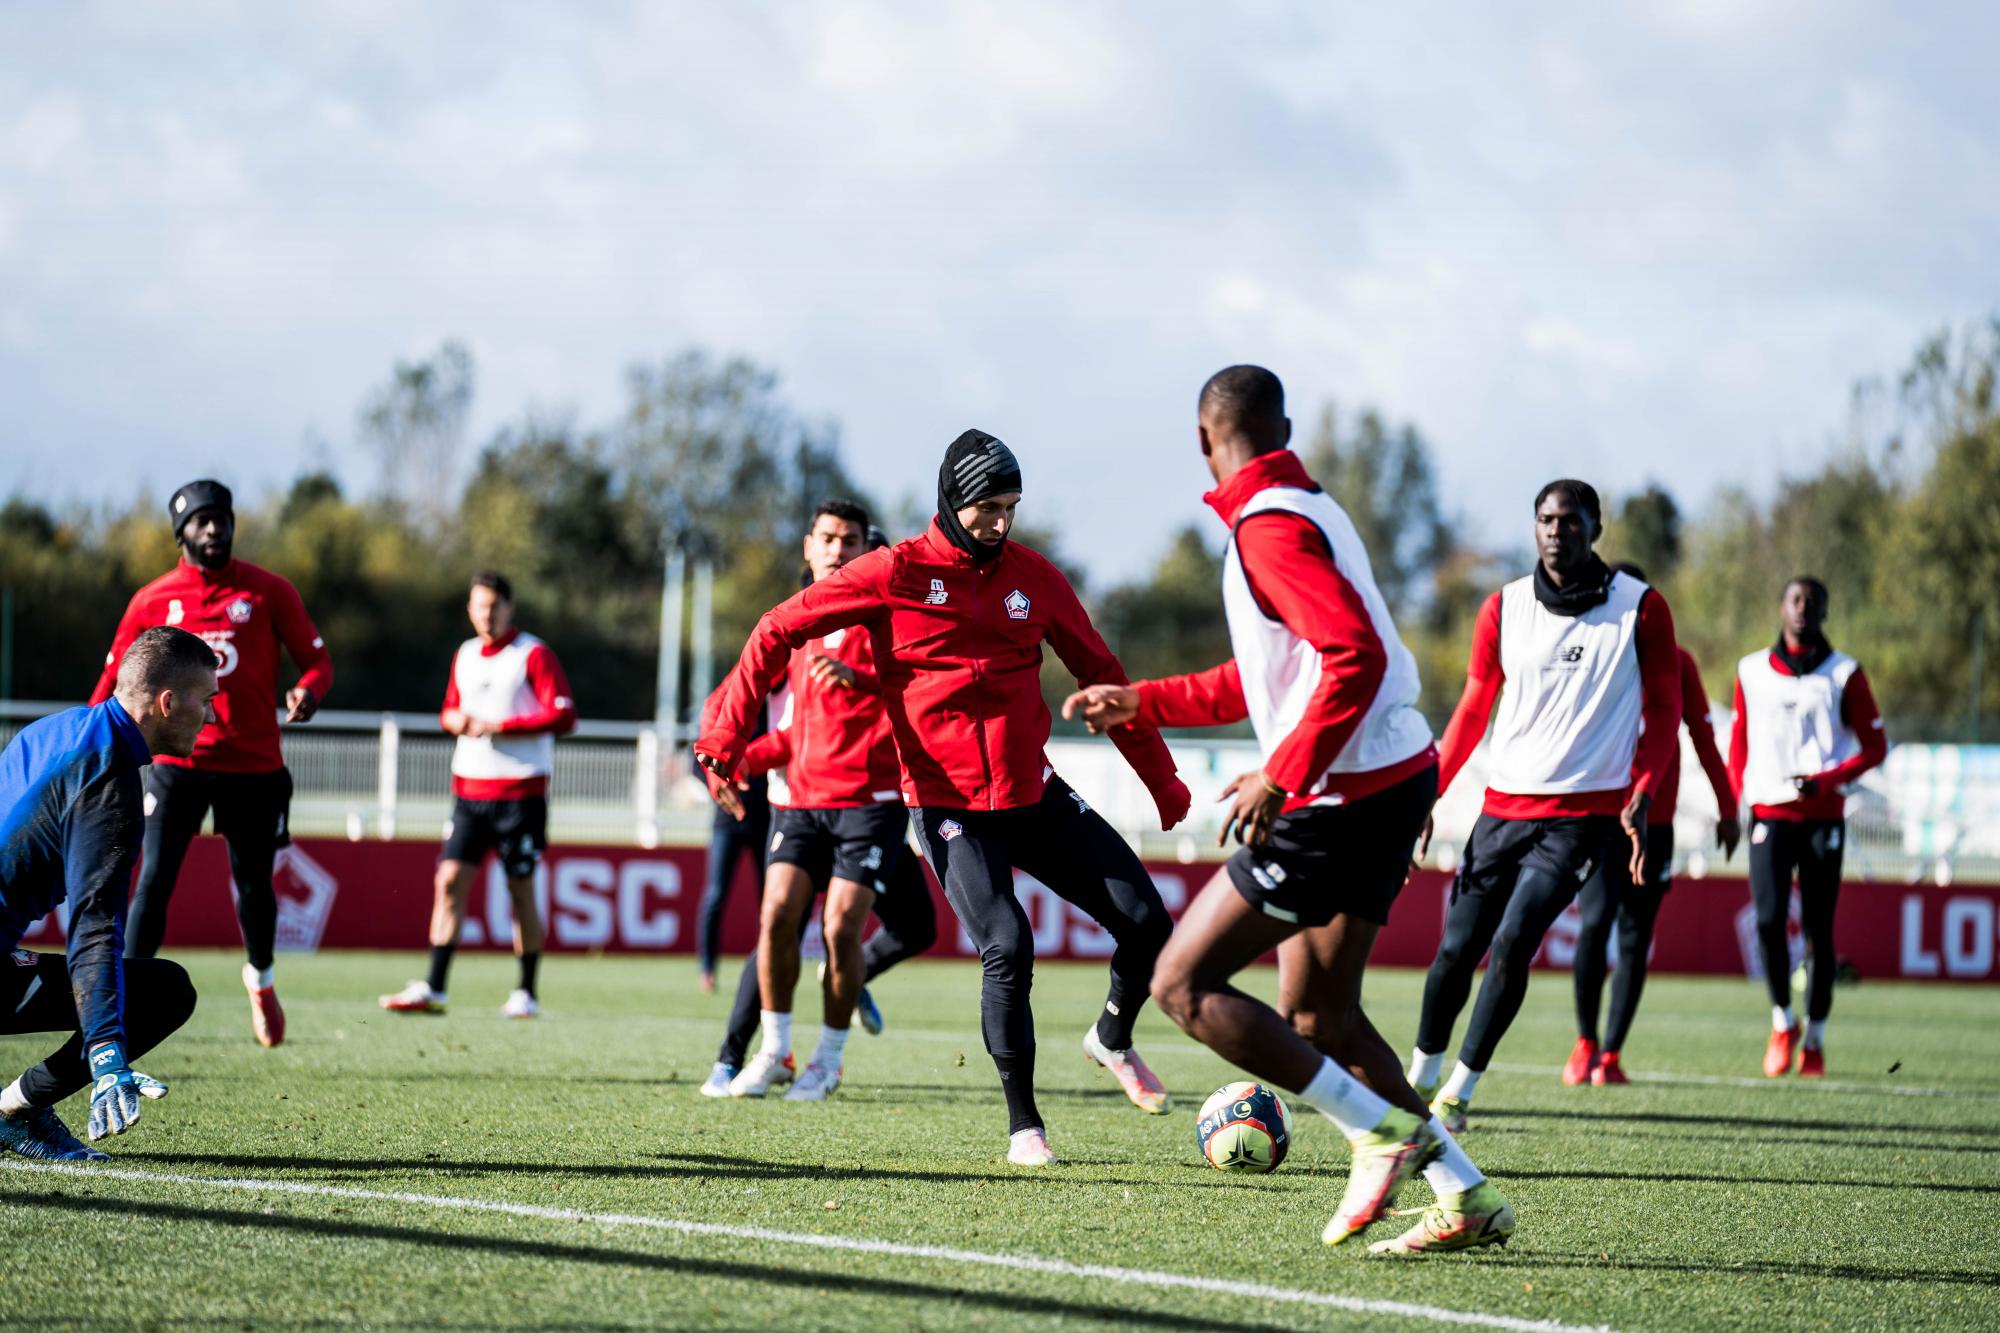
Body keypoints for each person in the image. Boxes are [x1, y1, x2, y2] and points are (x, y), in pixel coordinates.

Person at [1067, 365, 1512, 1256]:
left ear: (1203, 438)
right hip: (1390, 779)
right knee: (1321, 1014)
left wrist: (1283, 771)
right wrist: (1145, 700)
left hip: (1340, 796)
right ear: (1284, 428)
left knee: (1179, 984)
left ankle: (1377, 1130)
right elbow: (1271, 676)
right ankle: (1461, 1190)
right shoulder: (1307, 511)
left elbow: (1351, 657)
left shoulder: (1267, 528)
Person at [698, 430, 1191, 1164]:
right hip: (946, 804)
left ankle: (1111, 1036)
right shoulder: (892, 571)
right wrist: (722, 737)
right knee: (1009, 943)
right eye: (987, 507)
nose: (1000, 523)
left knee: (1151, 924)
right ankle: (1026, 1125)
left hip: (1033, 794)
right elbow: (777, 627)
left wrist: (1163, 780)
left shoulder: (1037, 578)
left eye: (1011, 507)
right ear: (951, 501)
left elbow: (1104, 675)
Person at [1407, 479, 1681, 1133]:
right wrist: (1432, 788)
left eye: (1571, 520)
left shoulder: (1641, 608)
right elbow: (1474, 706)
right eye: (1546, 519)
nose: (1557, 530)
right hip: (1500, 811)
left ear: (1596, 527)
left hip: (1582, 819)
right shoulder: (1502, 608)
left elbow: (1667, 710)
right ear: (1534, 528)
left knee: (1511, 943)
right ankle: (1416, 1078)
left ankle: (1459, 1093)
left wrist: (1643, 789)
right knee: (1453, 950)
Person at [88, 479, 333, 1048]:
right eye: (202, 521)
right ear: (183, 533)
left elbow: (317, 663)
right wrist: (89, 738)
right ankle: (123, 1001)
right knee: (152, 878)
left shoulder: (269, 590)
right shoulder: (152, 600)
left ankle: (262, 980)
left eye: (221, 519)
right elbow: (110, 682)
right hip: (178, 763)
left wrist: (309, 691)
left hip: (254, 765)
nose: (214, 529)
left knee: (254, 886)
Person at [699, 500, 912, 1101]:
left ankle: (829, 1059)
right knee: (774, 920)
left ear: (864, 550)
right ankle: (773, 1051)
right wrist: (724, 757)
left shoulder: (888, 615)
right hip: (798, 801)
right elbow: (734, 694)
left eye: (850, 540)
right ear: (808, 546)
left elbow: (923, 686)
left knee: (842, 928)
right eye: (828, 538)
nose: (838, 550)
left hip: (870, 800)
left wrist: (864, 680)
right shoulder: (792, 623)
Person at [2, 628, 212, 1160]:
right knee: (166, 992)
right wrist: (105, 1054)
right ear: (167, 703)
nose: (210, 716)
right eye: (206, 700)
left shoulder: (61, 727)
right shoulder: (109, 784)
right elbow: (94, 929)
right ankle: (13, 1113)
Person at [1565, 561, 1741, 1087]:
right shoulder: (1588, 652)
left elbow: (1706, 739)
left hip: (1656, 822)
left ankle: (1612, 1055)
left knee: (1636, 935)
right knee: (1595, 924)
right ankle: (1584, 1044)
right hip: (1599, 817)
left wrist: (1727, 808)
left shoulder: (1679, 663)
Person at [380, 572, 576, 1019]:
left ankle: (526, 991)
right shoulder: (465, 654)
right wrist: (454, 721)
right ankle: (434, 986)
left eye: (495, 605)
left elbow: (564, 715)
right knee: (448, 882)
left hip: (520, 793)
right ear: (469, 608)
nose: (487, 613)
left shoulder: (533, 653)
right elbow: (450, 708)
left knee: (520, 889)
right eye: (479, 605)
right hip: (468, 791)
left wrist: (503, 726)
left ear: (509, 607)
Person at [1727, 576, 1886, 1078]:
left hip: (1823, 819)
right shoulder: (1751, 670)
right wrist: (1737, 797)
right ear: (1781, 607)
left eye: (1813, 602)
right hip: (1769, 814)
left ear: (1824, 611)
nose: (1803, 609)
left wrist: (1828, 780)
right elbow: (1738, 742)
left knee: (1819, 932)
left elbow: (1875, 747)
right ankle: (1782, 1022)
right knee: (1770, 923)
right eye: (1795, 600)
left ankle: (1814, 1038)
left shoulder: (1844, 673)